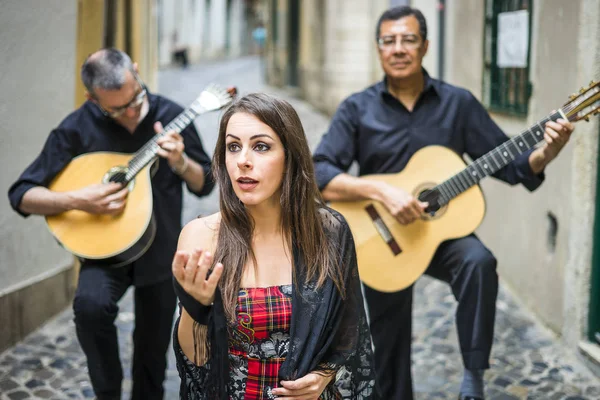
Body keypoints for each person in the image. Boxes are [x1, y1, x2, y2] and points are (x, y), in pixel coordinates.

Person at [312, 6, 574, 400]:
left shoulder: (459, 104)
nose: (398, 49)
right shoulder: (357, 107)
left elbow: (512, 164)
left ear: (425, 45)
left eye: (409, 39)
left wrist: (546, 153)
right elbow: (319, 172)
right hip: (382, 237)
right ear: (379, 48)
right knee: (389, 343)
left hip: (440, 236)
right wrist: (381, 192)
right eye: (389, 40)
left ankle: (473, 377)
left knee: (478, 262)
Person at [7, 48, 215, 400]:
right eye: (117, 109)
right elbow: (22, 194)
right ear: (92, 98)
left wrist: (180, 162)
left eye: (135, 97)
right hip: (103, 252)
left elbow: (205, 183)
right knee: (89, 308)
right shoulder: (76, 128)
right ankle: (107, 390)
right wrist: (77, 199)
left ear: (136, 71)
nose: (132, 111)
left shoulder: (173, 115)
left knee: (152, 350)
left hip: (162, 252)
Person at [170, 93, 376, 399]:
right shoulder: (201, 236)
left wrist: (322, 376)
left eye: (261, 146)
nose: (243, 161)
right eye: (233, 147)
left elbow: (349, 329)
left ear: (289, 156)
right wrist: (196, 308)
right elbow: (196, 364)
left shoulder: (328, 231)